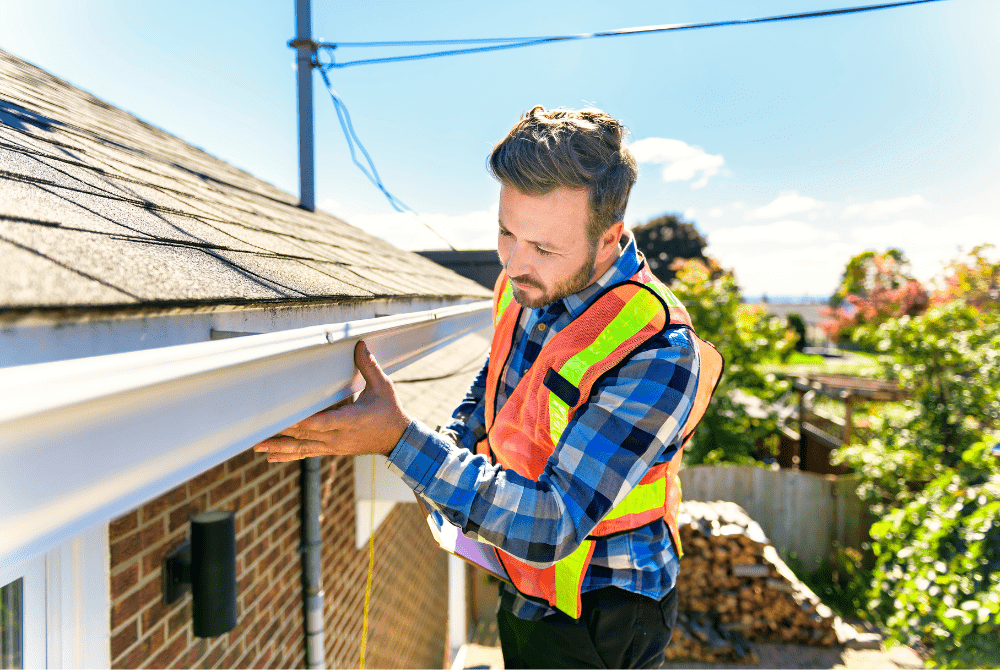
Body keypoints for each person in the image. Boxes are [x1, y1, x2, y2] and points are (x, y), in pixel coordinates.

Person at [255, 106, 722, 669]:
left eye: (545, 248)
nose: (516, 262)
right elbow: (499, 378)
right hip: (523, 576)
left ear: (609, 240)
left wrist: (399, 440)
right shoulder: (525, 282)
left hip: (603, 606)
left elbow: (551, 524)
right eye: (506, 231)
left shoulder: (658, 352)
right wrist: (453, 437)